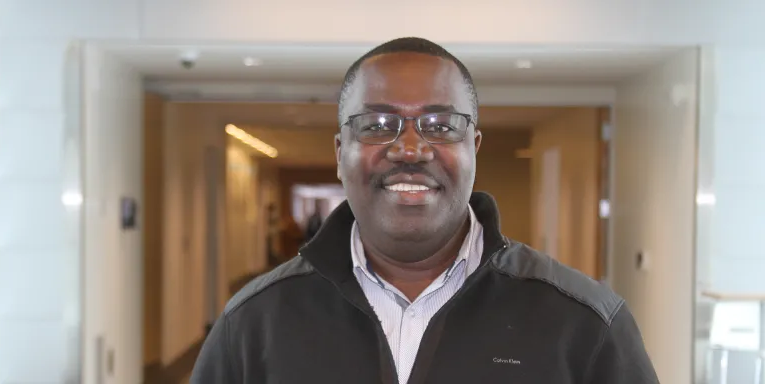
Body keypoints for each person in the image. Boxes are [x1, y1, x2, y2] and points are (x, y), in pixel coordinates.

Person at [191, 37, 659, 384]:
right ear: (340, 153)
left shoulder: (585, 325)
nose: (410, 148)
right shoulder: (254, 325)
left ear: (474, 147)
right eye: (376, 124)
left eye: (441, 124)